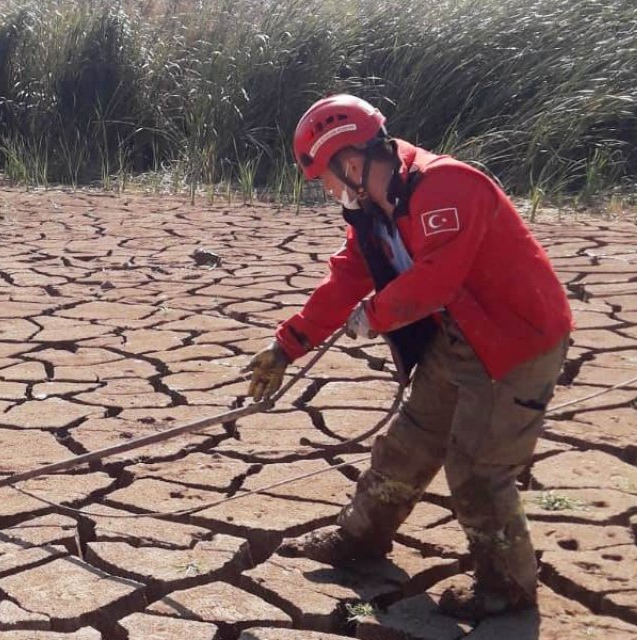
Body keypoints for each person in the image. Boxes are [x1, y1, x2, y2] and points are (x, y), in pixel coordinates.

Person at [244, 94, 573, 619]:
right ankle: (359, 540)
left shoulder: (449, 186)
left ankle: (507, 589)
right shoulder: (374, 210)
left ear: (350, 164)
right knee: (408, 444)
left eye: (324, 181)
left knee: (476, 471)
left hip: (514, 342)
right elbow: (345, 279)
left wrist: (375, 315)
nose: (327, 193)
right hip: (457, 337)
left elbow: (437, 277)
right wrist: (286, 346)